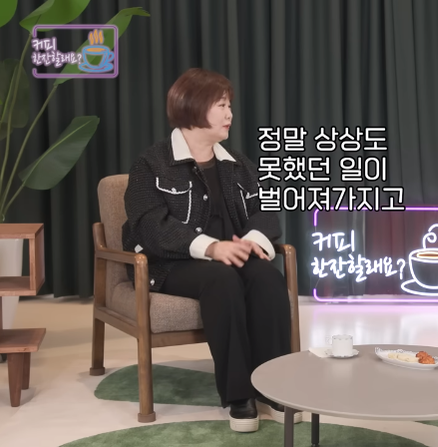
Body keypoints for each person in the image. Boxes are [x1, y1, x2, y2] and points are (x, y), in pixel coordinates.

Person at [121, 68, 300, 433]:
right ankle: (239, 395)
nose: (229, 113)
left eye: (229, 105)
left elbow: (265, 211)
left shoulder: (237, 163)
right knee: (221, 280)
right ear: (192, 107)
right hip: (172, 263)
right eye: (221, 105)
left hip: (231, 257)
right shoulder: (150, 164)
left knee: (267, 278)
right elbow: (150, 226)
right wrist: (211, 247)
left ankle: (274, 385)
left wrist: (252, 240)